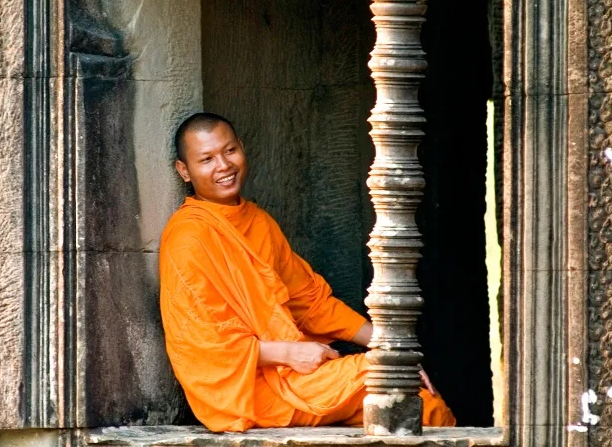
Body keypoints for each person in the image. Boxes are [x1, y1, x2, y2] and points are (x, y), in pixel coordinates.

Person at [159, 112, 456, 432]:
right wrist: (289, 353)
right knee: (386, 380)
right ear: (184, 171)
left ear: (242, 148)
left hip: (294, 376)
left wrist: (388, 346)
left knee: (424, 407)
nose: (223, 166)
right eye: (206, 159)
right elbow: (200, 344)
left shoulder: (258, 222)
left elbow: (309, 302)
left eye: (229, 151)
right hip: (244, 391)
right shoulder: (188, 238)